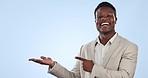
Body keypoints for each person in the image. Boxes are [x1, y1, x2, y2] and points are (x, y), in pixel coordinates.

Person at [29, 1, 138, 78]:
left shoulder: (129, 47)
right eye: (100, 17)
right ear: (95, 21)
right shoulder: (85, 48)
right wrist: (53, 65)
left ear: (115, 20)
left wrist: (93, 68)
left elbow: (126, 76)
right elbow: (75, 77)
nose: (104, 19)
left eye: (109, 16)